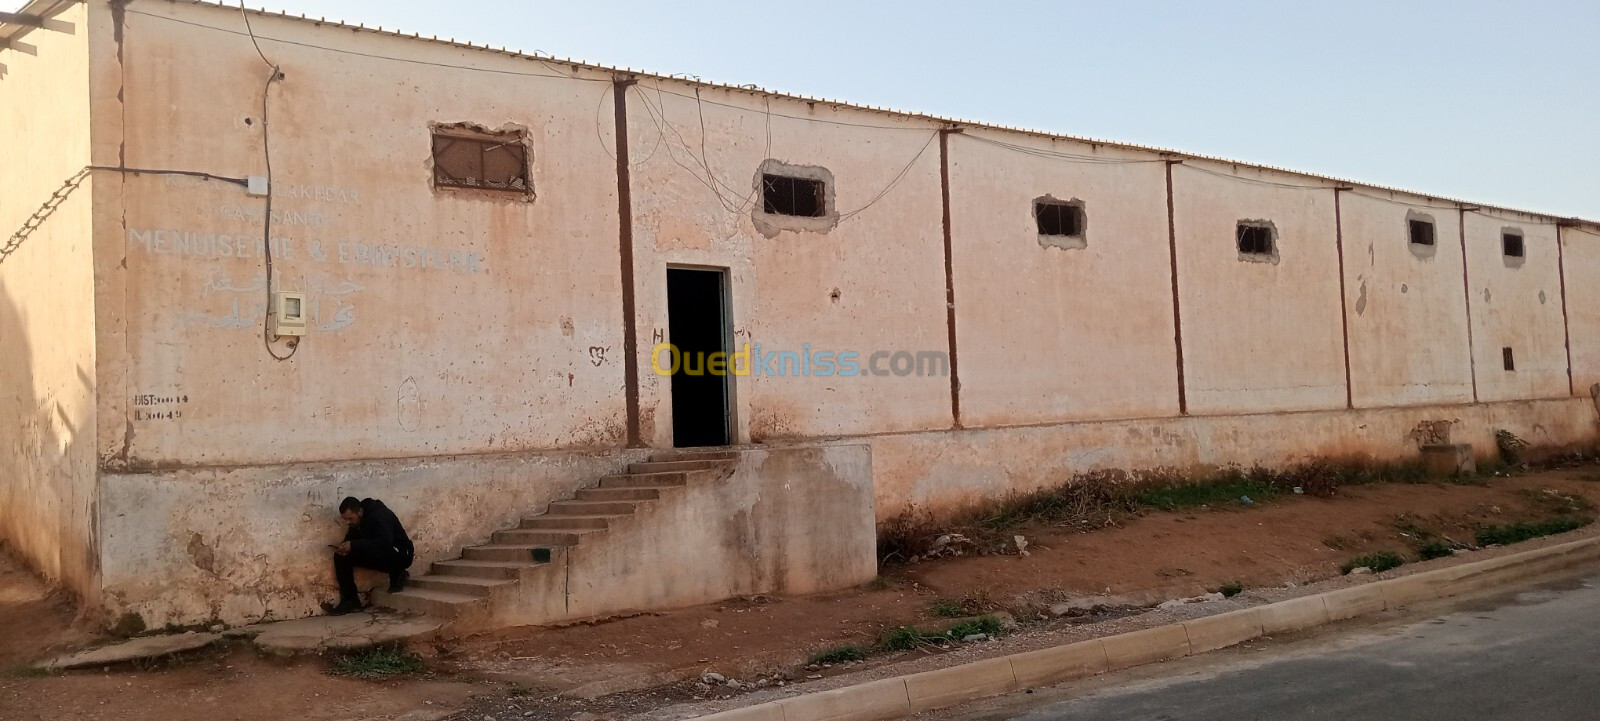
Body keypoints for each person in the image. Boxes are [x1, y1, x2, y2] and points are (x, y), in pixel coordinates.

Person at [327, 496, 415, 615]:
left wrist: (354, 545)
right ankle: (351, 600)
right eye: (345, 520)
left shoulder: (378, 515)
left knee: (379, 547)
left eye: (350, 518)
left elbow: (385, 542)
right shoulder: (357, 521)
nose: (348, 522)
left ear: (359, 512)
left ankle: (398, 572)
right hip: (380, 551)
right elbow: (353, 538)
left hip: (401, 554)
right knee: (342, 556)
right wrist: (344, 547)